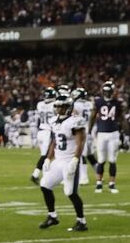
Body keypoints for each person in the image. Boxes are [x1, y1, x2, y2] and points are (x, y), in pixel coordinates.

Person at [38, 90, 88, 232]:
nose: (58, 109)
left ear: (69, 107)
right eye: (57, 107)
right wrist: (48, 158)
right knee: (45, 185)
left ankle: (81, 221)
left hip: (69, 160)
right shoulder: (54, 121)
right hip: (58, 160)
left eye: (62, 107)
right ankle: (52, 216)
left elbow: (80, 142)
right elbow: (54, 141)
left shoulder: (75, 121)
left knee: (70, 192)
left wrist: (75, 160)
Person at [89, 81, 123, 194]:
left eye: (109, 92)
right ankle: (99, 183)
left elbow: (121, 117)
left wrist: (123, 131)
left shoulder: (117, 103)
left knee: (112, 160)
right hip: (102, 133)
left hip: (113, 133)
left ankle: (111, 184)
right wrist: (89, 131)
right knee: (101, 160)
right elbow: (93, 116)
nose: (108, 94)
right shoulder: (98, 102)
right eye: (106, 92)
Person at [31, 87, 57, 184]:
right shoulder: (54, 105)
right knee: (46, 155)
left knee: (45, 155)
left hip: (40, 131)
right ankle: (36, 174)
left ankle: (45, 176)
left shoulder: (40, 104)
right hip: (48, 131)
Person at [70, 87, 96, 185]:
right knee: (90, 156)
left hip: (81, 131)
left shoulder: (75, 105)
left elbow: (73, 117)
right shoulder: (90, 104)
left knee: (80, 155)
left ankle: (84, 177)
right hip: (90, 131)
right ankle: (99, 173)